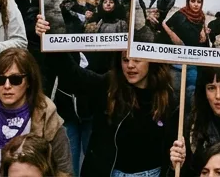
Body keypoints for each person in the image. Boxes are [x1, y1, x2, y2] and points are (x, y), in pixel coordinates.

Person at [35, 13, 177, 177]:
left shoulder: (167, 96)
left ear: (151, 61)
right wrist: (50, 38)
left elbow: (172, 146)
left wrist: (176, 160)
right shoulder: (109, 85)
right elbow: (73, 76)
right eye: (125, 60)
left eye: (137, 60)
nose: (130, 66)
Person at [0, 49, 71, 176]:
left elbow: (64, 172)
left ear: (29, 82)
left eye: (15, 79)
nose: (7, 85)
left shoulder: (49, 119)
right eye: (0, 79)